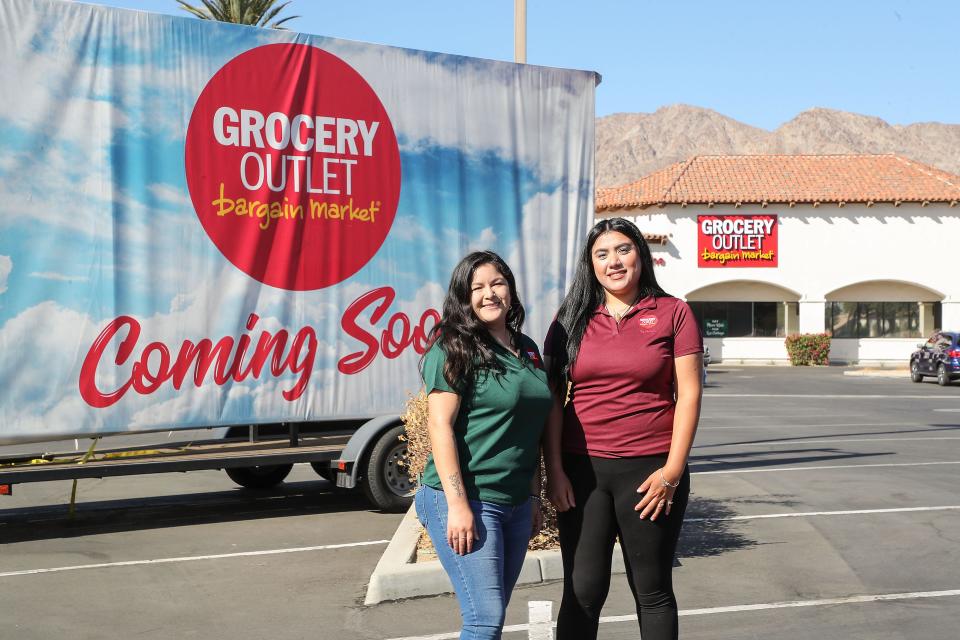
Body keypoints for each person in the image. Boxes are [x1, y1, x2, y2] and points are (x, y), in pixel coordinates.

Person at [544, 218, 703, 640]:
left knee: (651, 591)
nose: (613, 261)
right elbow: (554, 400)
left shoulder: (674, 312)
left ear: (641, 256)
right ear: (590, 264)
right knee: (582, 591)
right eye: (602, 254)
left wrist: (671, 472)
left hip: (651, 473)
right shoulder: (570, 319)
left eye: (623, 250)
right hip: (583, 474)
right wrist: (555, 471)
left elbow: (688, 395)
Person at [415, 250, 552, 640]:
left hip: (514, 502)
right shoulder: (452, 347)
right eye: (477, 288)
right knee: (484, 619)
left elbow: (531, 428)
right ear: (463, 297)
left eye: (497, 283)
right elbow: (439, 426)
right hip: (465, 499)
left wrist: (533, 497)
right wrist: (458, 505)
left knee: (492, 614)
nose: (489, 294)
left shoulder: (526, 348)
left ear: (510, 289)